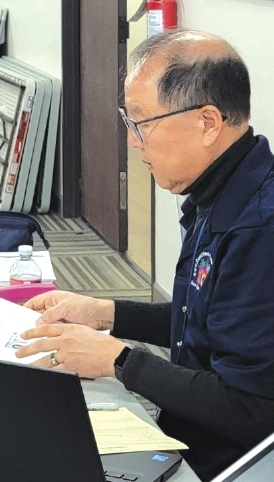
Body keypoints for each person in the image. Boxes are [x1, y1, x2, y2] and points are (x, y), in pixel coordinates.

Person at [15, 30, 274, 481]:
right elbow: (210, 318)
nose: (134, 143)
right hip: (188, 429)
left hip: (224, 463)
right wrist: (104, 313)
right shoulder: (224, 191)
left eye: (141, 123)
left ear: (208, 123)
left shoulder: (259, 229)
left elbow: (249, 409)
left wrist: (118, 361)